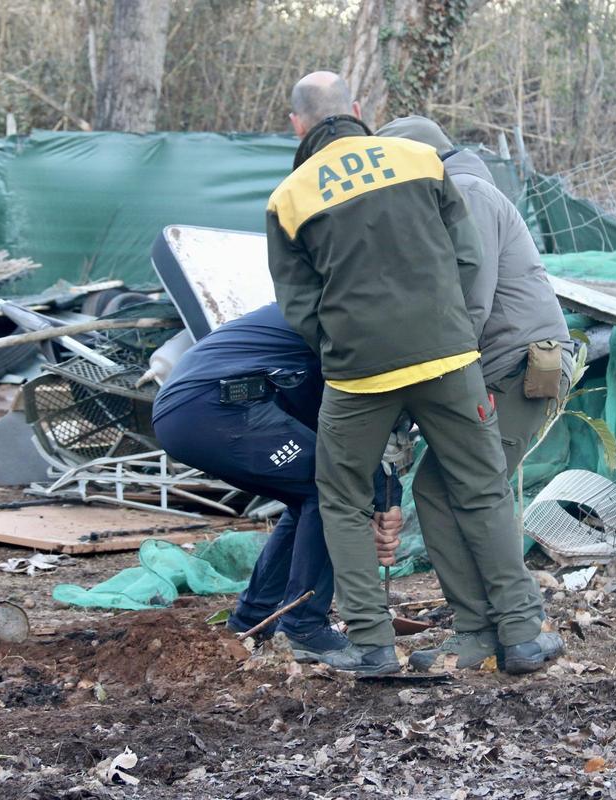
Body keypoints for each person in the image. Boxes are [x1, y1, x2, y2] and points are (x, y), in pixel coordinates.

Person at [266, 71, 562, 675]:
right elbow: (467, 255)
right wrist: (445, 329)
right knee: (481, 490)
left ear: (297, 123)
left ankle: (372, 645)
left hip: (358, 373)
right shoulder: (423, 161)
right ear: (356, 108)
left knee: (344, 500)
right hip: (451, 358)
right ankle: (524, 634)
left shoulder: (289, 197)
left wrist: (341, 347)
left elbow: (299, 304)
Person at [375, 115, 575, 671]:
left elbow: (469, 304)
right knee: (440, 489)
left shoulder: (466, 193)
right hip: (484, 367)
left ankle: (519, 628)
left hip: (513, 369)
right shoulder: (446, 195)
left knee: (474, 486)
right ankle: (483, 630)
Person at [150, 303, 402, 663]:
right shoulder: (352, 323)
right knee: (333, 487)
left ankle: (254, 619)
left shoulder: (333, 309)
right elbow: (349, 441)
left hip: (197, 408)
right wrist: (379, 501)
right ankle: (303, 627)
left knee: (310, 493)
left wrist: (386, 500)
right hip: (217, 406)